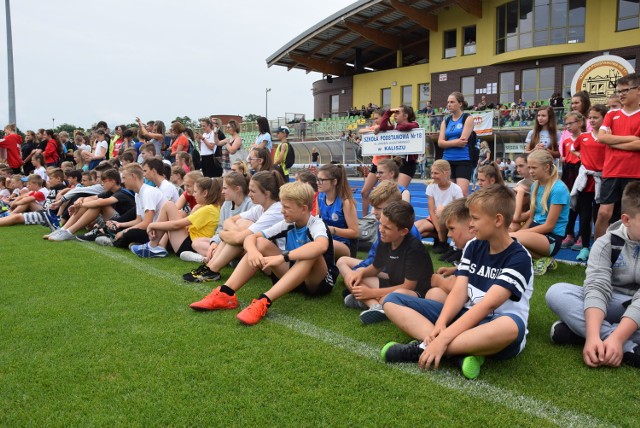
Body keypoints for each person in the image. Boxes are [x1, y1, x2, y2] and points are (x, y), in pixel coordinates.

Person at [380, 184, 533, 380]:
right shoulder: (473, 246)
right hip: (465, 318)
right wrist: (441, 325)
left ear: (497, 220)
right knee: (392, 300)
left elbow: (488, 305)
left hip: (493, 325)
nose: (472, 225)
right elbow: (459, 292)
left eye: (476, 219)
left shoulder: (519, 257)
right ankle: (455, 353)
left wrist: (444, 337)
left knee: (511, 326)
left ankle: (424, 347)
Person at [189, 181, 338, 326]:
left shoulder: (316, 224)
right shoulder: (287, 224)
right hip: (293, 277)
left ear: (304, 209)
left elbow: (321, 246)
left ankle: (264, 301)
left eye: (286, 207)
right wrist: (253, 252)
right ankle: (226, 293)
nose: (282, 211)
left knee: (311, 252)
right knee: (259, 243)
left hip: (317, 282)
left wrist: (282, 257)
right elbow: (251, 237)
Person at [545, 181, 640, 369]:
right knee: (557, 292)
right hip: (613, 303)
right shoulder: (606, 243)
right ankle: (625, 345)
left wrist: (616, 337)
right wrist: (598, 336)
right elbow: (597, 287)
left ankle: (577, 333)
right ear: (626, 220)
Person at [183, 170, 284, 283]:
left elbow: (238, 238)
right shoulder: (260, 207)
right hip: (256, 254)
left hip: (277, 263)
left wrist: (224, 234)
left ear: (267, 193)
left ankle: (212, 269)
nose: (249, 194)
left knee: (246, 226)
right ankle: (210, 267)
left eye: (253, 191)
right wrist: (225, 236)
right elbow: (227, 222)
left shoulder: (275, 210)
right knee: (242, 224)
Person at [342, 200, 432, 324]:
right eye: (380, 224)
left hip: (415, 293)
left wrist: (371, 292)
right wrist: (360, 274)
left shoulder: (414, 249)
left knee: (390, 297)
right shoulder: (385, 240)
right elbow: (375, 268)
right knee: (354, 275)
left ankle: (369, 300)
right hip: (394, 283)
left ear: (403, 232)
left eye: (387, 227)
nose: (381, 229)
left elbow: (408, 286)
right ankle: (375, 305)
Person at [337, 181, 424, 302]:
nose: (374, 212)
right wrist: (360, 272)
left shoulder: (409, 237)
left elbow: (408, 284)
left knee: (361, 279)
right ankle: (364, 293)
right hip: (388, 271)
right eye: (374, 207)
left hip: (402, 282)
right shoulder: (382, 225)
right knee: (343, 262)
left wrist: (368, 285)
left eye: (379, 208)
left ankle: (372, 303)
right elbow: (377, 262)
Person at [595, 73, 640, 241]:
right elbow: (602, 138)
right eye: (619, 90)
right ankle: (597, 252)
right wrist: (632, 139)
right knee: (603, 213)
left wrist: (612, 142)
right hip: (612, 171)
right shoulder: (611, 115)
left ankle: (629, 252)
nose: (621, 94)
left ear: (638, 90)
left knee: (631, 216)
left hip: (635, 173)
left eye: (625, 90)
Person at [131, 177, 223, 258]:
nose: (193, 194)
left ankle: (152, 246)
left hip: (188, 246)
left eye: (195, 192)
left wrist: (152, 225)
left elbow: (176, 225)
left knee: (169, 205)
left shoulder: (208, 209)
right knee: (179, 212)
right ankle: (158, 246)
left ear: (205, 193)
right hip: (190, 241)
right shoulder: (212, 207)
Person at [510, 150, 570, 275]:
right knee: (510, 232)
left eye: (534, 168)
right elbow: (531, 217)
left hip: (551, 238)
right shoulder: (535, 185)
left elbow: (549, 226)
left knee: (510, 238)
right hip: (536, 231)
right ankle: (540, 258)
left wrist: (520, 234)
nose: (530, 171)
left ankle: (537, 257)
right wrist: (519, 232)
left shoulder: (558, 189)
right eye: (529, 167)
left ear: (546, 167)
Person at [181, 172, 254, 264]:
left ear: (237, 189)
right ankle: (223, 258)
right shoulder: (226, 204)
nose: (222, 192)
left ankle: (211, 258)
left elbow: (248, 233)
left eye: (225, 188)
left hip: (241, 244)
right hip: (225, 241)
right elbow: (220, 228)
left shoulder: (251, 205)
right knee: (197, 242)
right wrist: (214, 242)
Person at [47, 168, 135, 241]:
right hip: (114, 220)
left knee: (98, 204)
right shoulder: (110, 191)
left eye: (104, 182)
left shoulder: (122, 193)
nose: (102, 184)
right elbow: (92, 198)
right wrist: (80, 200)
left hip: (123, 223)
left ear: (112, 181)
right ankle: (63, 229)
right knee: (88, 201)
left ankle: (69, 232)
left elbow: (100, 202)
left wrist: (80, 205)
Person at [569, 105, 608, 261]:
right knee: (585, 215)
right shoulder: (584, 137)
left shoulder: (609, 136)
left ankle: (599, 249)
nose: (592, 120)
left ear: (604, 118)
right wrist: (583, 158)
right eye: (590, 117)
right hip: (586, 181)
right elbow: (573, 148)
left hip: (604, 180)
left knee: (601, 216)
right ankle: (585, 247)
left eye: (595, 117)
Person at [99, 163, 166, 248]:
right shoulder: (138, 194)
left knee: (129, 233)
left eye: (124, 178)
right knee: (118, 228)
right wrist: (119, 224)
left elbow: (146, 223)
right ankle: (125, 240)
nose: (122, 181)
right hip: (148, 229)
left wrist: (124, 231)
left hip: (155, 232)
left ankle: (115, 242)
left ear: (133, 176)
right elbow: (138, 220)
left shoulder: (148, 192)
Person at [427, 198, 475, 303]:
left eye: (452, 229)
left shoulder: (475, 246)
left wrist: (439, 281)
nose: (448, 235)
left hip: (478, 305)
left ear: (471, 226)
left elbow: (457, 287)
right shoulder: (471, 246)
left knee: (434, 294)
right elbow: (472, 267)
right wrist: (453, 269)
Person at [415, 160, 463, 255]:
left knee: (441, 210)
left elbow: (460, 210)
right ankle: (439, 238)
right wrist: (439, 231)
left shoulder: (456, 189)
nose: (432, 176)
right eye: (432, 173)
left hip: (450, 219)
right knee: (416, 229)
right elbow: (431, 211)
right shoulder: (431, 188)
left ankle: (444, 243)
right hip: (435, 219)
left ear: (446, 173)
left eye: (436, 173)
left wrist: (444, 216)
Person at [317, 163, 359, 258]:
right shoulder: (320, 197)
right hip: (326, 239)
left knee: (319, 245)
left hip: (344, 244)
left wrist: (332, 230)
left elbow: (355, 232)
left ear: (334, 181)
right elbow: (317, 220)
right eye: (317, 179)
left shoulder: (345, 202)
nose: (317, 183)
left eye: (321, 180)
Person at [438, 93, 475, 196]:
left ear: (460, 104)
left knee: (461, 194)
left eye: (452, 102)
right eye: (448, 102)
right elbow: (440, 143)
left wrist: (447, 143)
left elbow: (462, 142)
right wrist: (455, 142)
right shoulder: (446, 121)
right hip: (447, 160)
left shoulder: (467, 118)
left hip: (463, 159)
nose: (449, 104)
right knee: (448, 194)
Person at [559, 111, 586, 251]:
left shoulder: (586, 138)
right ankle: (569, 234)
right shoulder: (566, 141)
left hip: (581, 172)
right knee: (569, 205)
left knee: (582, 205)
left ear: (580, 123)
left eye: (571, 123)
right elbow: (564, 159)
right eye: (566, 124)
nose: (568, 126)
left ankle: (582, 235)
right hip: (568, 172)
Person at [379, 105, 420, 188]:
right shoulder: (395, 127)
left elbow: (404, 127)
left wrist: (395, 128)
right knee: (391, 191)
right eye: (394, 113)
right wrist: (388, 112)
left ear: (405, 116)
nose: (395, 115)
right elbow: (383, 127)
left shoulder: (414, 125)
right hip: (396, 163)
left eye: (398, 113)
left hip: (407, 163)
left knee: (399, 190)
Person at [359, 109, 387, 216]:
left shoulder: (389, 128)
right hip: (376, 164)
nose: (375, 121)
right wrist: (373, 130)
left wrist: (380, 128)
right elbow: (361, 131)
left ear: (383, 117)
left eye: (376, 118)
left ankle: (383, 217)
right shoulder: (374, 127)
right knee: (364, 192)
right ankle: (365, 218)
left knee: (383, 194)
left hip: (386, 166)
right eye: (374, 118)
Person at [509, 154, 533, 232]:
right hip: (520, 216)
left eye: (521, 166)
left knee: (512, 227)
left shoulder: (538, 185)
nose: (518, 170)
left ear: (530, 165)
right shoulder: (520, 183)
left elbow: (516, 218)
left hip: (529, 222)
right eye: (516, 166)